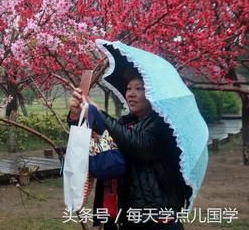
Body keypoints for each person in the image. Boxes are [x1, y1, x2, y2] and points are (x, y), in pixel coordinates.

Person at [68, 70, 191, 229]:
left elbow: (141, 147)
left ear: (154, 93)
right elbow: (97, 140)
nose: (131, 94)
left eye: (139, 89)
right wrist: (77, 115)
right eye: (128, 88)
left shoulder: (165, 124)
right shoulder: (125, 124)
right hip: (121, 217)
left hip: (155, 221)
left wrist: (100, 115)